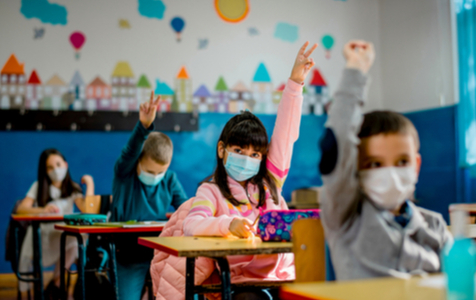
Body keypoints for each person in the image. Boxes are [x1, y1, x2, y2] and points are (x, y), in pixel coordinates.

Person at [151, 41, 318, 300]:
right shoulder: (211, 190)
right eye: (239, 151)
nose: (247, 159)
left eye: (255, 155)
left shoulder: (269, 181)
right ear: (222, 149)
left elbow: (286, 135)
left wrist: (295, 83)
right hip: (245, 283)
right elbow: (192, 225)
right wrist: (229, 223)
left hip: (287, 277)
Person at [319, 40, 453, 280]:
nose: (390, 172)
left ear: (417, 166)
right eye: (375, 164)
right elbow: (337, 143)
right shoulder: (347, 216)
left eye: (402, 161)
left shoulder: (435, 227)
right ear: (354, 168)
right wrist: (356, 70)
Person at [111, 94, 188, 300]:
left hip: (162, 251)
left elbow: (187, 207)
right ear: (138, 161)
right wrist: (144, 126)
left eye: (160, 172)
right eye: (150, 171)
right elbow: (130, 151)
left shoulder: (169, 179)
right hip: (128, 254)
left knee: (185, 291)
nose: (155, 177)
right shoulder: (124, 173)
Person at [16, 148, 94, 298]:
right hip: (43, 236)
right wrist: (42, 209)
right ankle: (46, 289)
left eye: (58, 164)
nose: (55, 170)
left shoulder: (73, 188)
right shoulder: (38, 186)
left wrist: (89, 184)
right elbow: (21, 209)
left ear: (65, 165)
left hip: (62, 236)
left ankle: (56, 283)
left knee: (79, 237)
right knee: (28, 256)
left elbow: (88, 210)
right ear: (45, 170)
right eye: (50, 167)